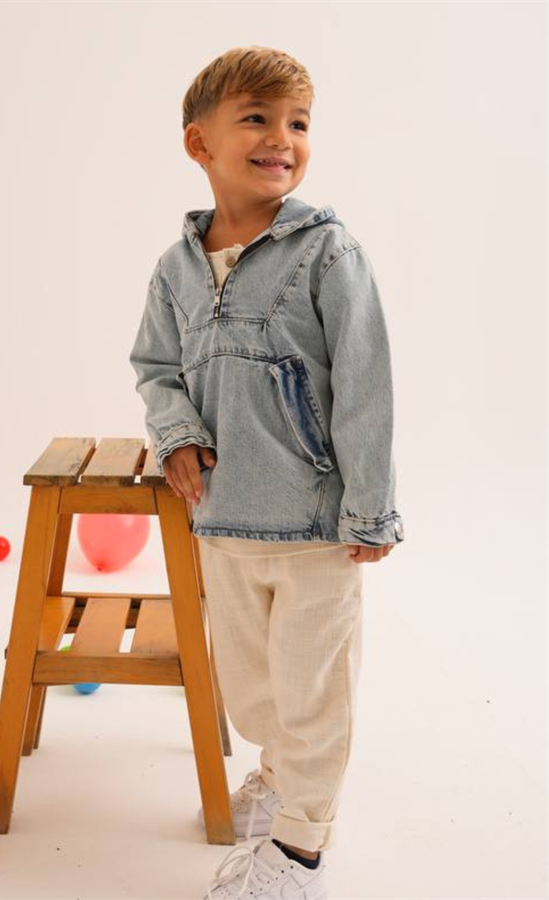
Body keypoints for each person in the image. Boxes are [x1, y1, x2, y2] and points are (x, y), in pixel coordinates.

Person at [129, 44, 405, 900]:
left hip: (316, 523)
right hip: (221, 517)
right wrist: (176, 434)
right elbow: (155, 367)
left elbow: (365, 383)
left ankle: (301, 849)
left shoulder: (327, 253)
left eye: (298, 123)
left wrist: (370, 508)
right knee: (254, 695)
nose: (282, 138)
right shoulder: (176, 268)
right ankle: (279, 776)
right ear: (199, 143)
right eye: (256, 118)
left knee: (313, 694)